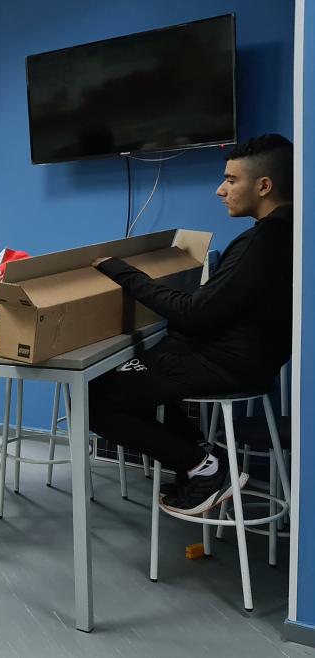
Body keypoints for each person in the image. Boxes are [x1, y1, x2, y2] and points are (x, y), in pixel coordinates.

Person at [89, 134, 294, 515]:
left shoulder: (262, 242)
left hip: (226, 365)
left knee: (93, 396)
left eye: (231, 180)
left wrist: (122, 272)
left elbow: (193, 313)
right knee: (139, 376)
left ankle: (204, 467)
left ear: (264, 186)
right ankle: (201, 455)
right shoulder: (291, 233)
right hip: (251, 361)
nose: (221, 190)